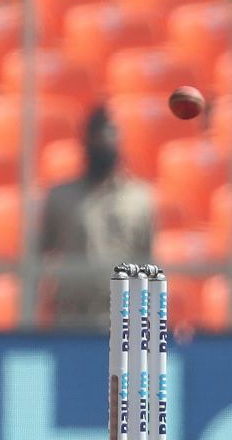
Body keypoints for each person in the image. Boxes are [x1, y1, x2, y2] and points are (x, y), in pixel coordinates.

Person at [38, 103, 155, 326]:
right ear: (86, 140)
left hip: (121, 318)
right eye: (98, 135)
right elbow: (37, 258)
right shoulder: (61, 198)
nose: (104, 142)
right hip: (72, 317)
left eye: (110, 134)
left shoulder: (139, 200)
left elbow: (147, 263)